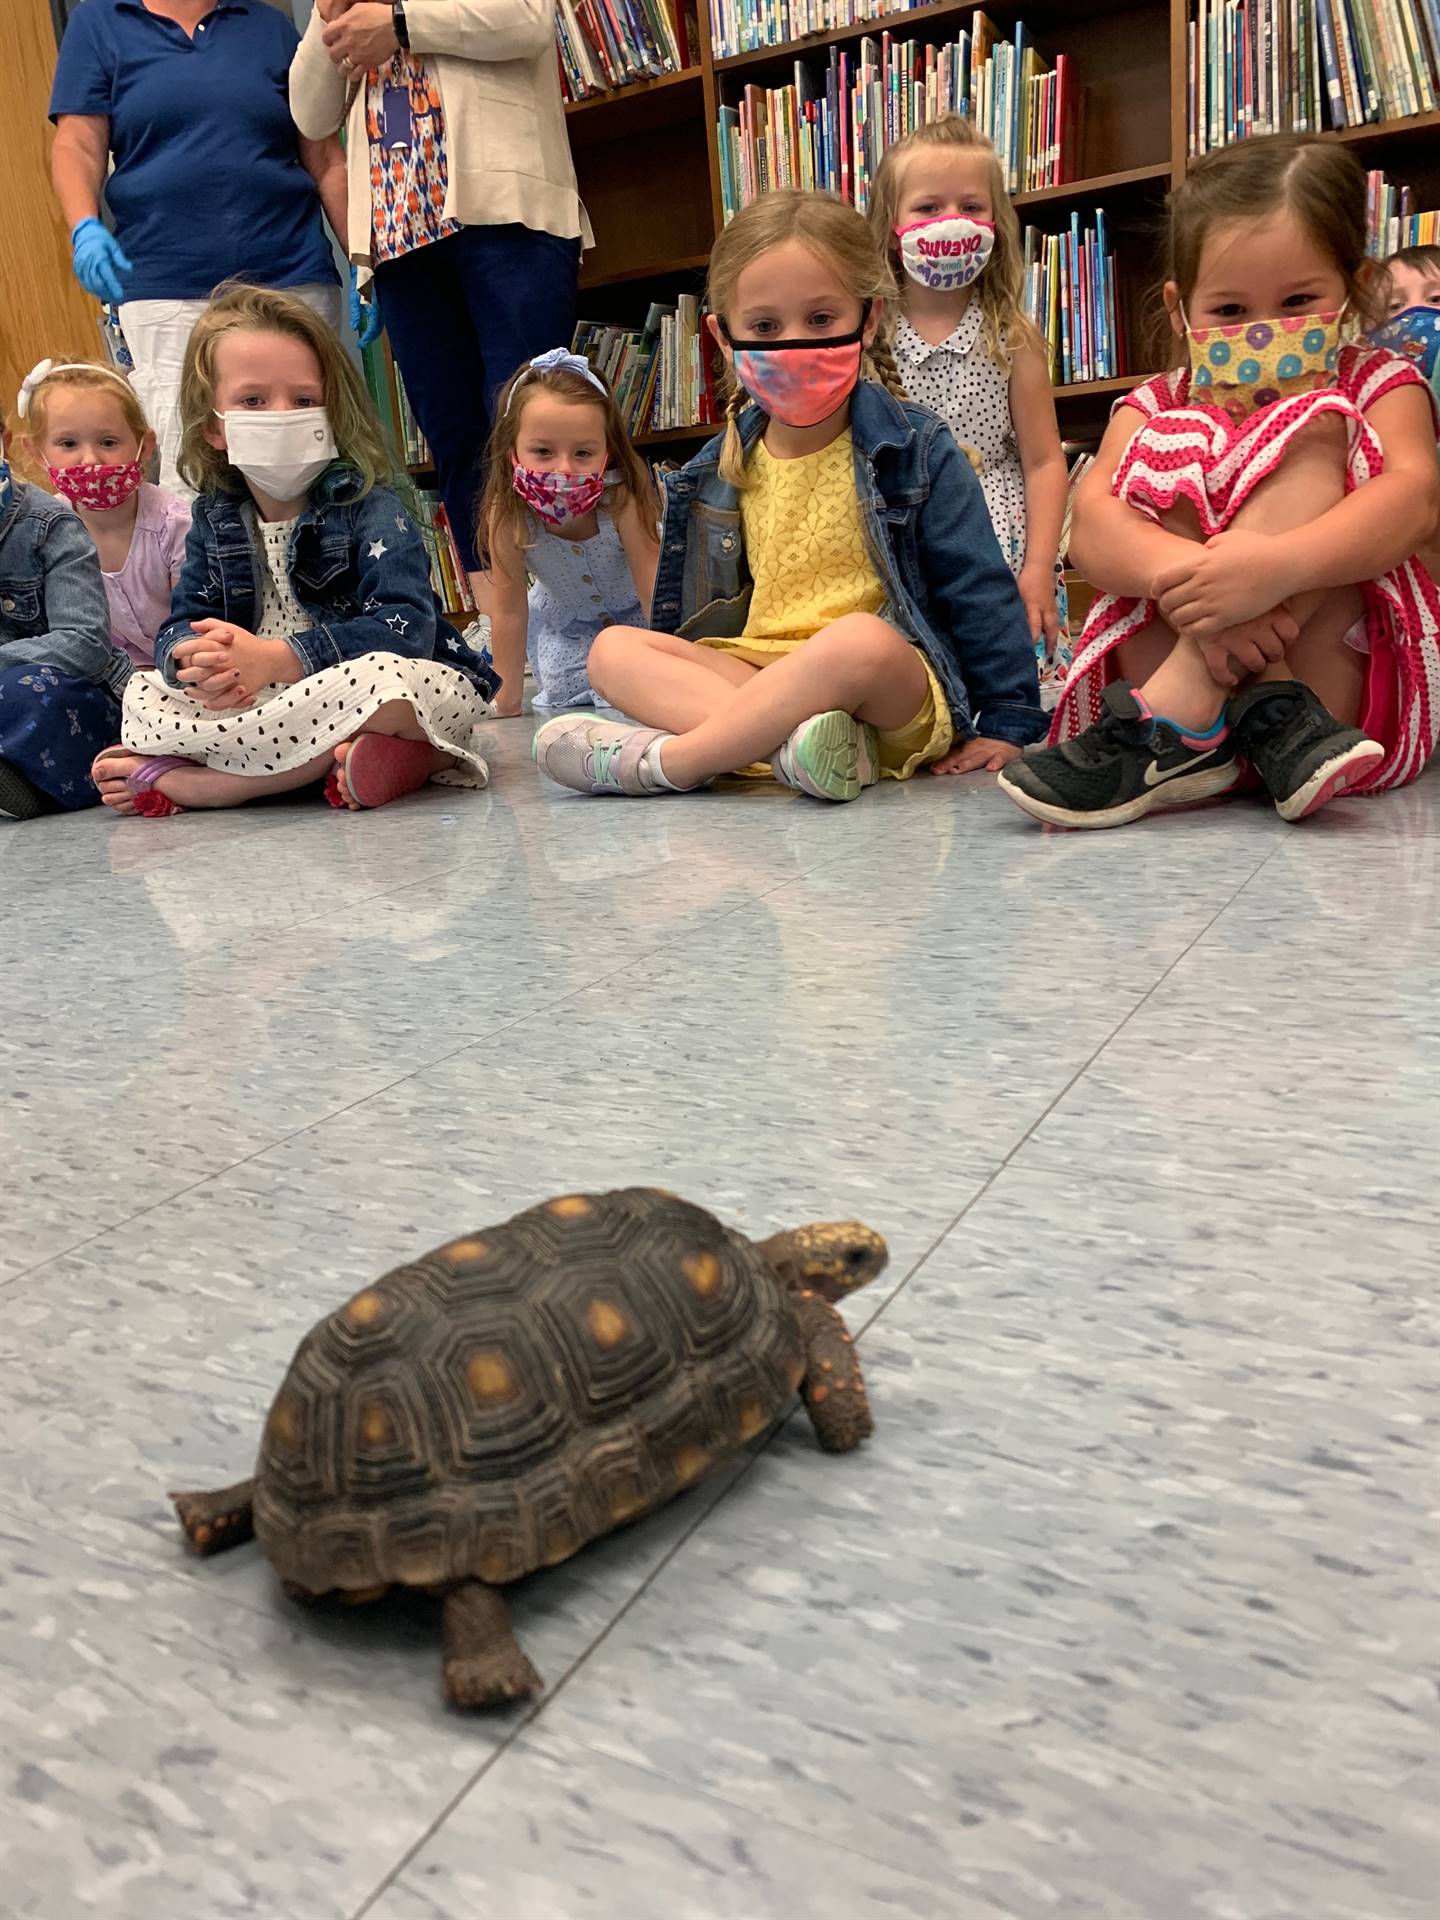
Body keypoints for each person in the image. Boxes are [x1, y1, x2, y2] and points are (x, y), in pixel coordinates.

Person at [532, 190, 1045, 803]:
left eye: (822, 320)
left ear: (870, 316)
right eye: (766, 327)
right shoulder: (713, 468)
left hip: (884, 690)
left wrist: (1008, 717)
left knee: (859, 641)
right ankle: (793, 750)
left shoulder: (918, 449)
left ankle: (679, 760)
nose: (795, 345)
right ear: (724, 337)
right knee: (613, 650)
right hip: (760, 672)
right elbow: (696, 623)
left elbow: (977, 586)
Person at [999, 135, 1440, 831]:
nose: (1265, 331)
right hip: (1191, 645)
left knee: (1320, 425)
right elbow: (1093, 529)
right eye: (1230, 312)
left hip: (1331, 705)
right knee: (1171, 447)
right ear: (1180, 308)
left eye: (1298, 300)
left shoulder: (1380, 383)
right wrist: (1208, 579)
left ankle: (1180, 711)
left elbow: (1416, 501)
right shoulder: (1158, 398)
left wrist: (1275, 567)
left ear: (1352, 286)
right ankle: (1213, 712)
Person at [90, 283, 497, 818]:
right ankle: (385, 759)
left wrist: (278, 659)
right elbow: (185, 621)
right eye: (253, 400)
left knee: (388, 686)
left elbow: (408, 629)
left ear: (333, 410)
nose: (281, 415)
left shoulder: (369, 504)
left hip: (368, 683)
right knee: (143, 693)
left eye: (304, 400)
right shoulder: (212, 516)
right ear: (214, 426)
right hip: (266, 699)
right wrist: (193, 662)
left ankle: (230, 784)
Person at [289, 0, 592, 607]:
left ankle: (581, 606)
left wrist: (400, 24)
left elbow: (530, 22)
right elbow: (309, 110)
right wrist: (330, 13)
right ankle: (501, 623)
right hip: (403, 241)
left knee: (535, 423)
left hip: (510, 221)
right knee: (455, 438)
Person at [49, 0, 347, 492]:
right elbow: (77, 142)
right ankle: (208, 574)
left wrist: (362, 255)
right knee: (191, 480)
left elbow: (324, 155)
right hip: (166, 289)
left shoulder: (271, 28)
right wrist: (84, 226)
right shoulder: (100, 23)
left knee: (308, 465)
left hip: (290, 279)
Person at [871, 114, 1071, 724]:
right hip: (912, 532)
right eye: (928, 206)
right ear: (892, 225)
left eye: (969, 204)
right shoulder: (871, 336)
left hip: (999, 539)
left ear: (996, 222)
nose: (950, 221)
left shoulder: (1011, 336)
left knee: (1006, 675)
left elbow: (1043, 460)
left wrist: (1039, 567)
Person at [477, 347, 658, 716]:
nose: (564, 469)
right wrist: (506, 698)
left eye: (583, 453)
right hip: (569, 630)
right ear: (512, 450)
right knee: (567, 691)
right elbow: (509, 612)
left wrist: (671, 659)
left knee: (641, 687)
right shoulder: (508, 512)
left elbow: (652, 585)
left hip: (642, 625)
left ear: (608, 451)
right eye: (542, 451)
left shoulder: (622, 497)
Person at [14, 358, 189, 670]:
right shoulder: (41, 532)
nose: (90, 459)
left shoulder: (175, 524)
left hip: (179, 671)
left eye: (108, 442)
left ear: (144, 445)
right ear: (36, 452)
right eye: (68, 443)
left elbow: (191, 622)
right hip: (96, 679)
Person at [0, 403, 128, 820]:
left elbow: (85, 644)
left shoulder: (49, 526)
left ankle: (37, 789)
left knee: (25, 692)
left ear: (4, 443)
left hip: (69, 693)